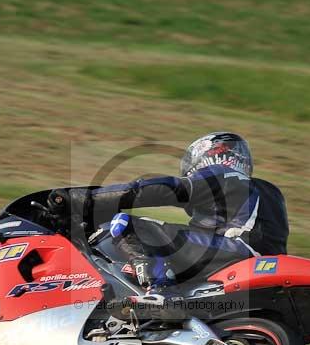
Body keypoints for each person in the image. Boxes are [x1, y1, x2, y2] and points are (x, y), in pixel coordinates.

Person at [48, 132, 289, 316]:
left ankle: (160, 292)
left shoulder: (224, 176)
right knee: (164, 246)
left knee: (126, 223)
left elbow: (163, 190)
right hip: (256, 265)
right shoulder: (265, 192)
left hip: (237, 254)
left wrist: (86, 201)